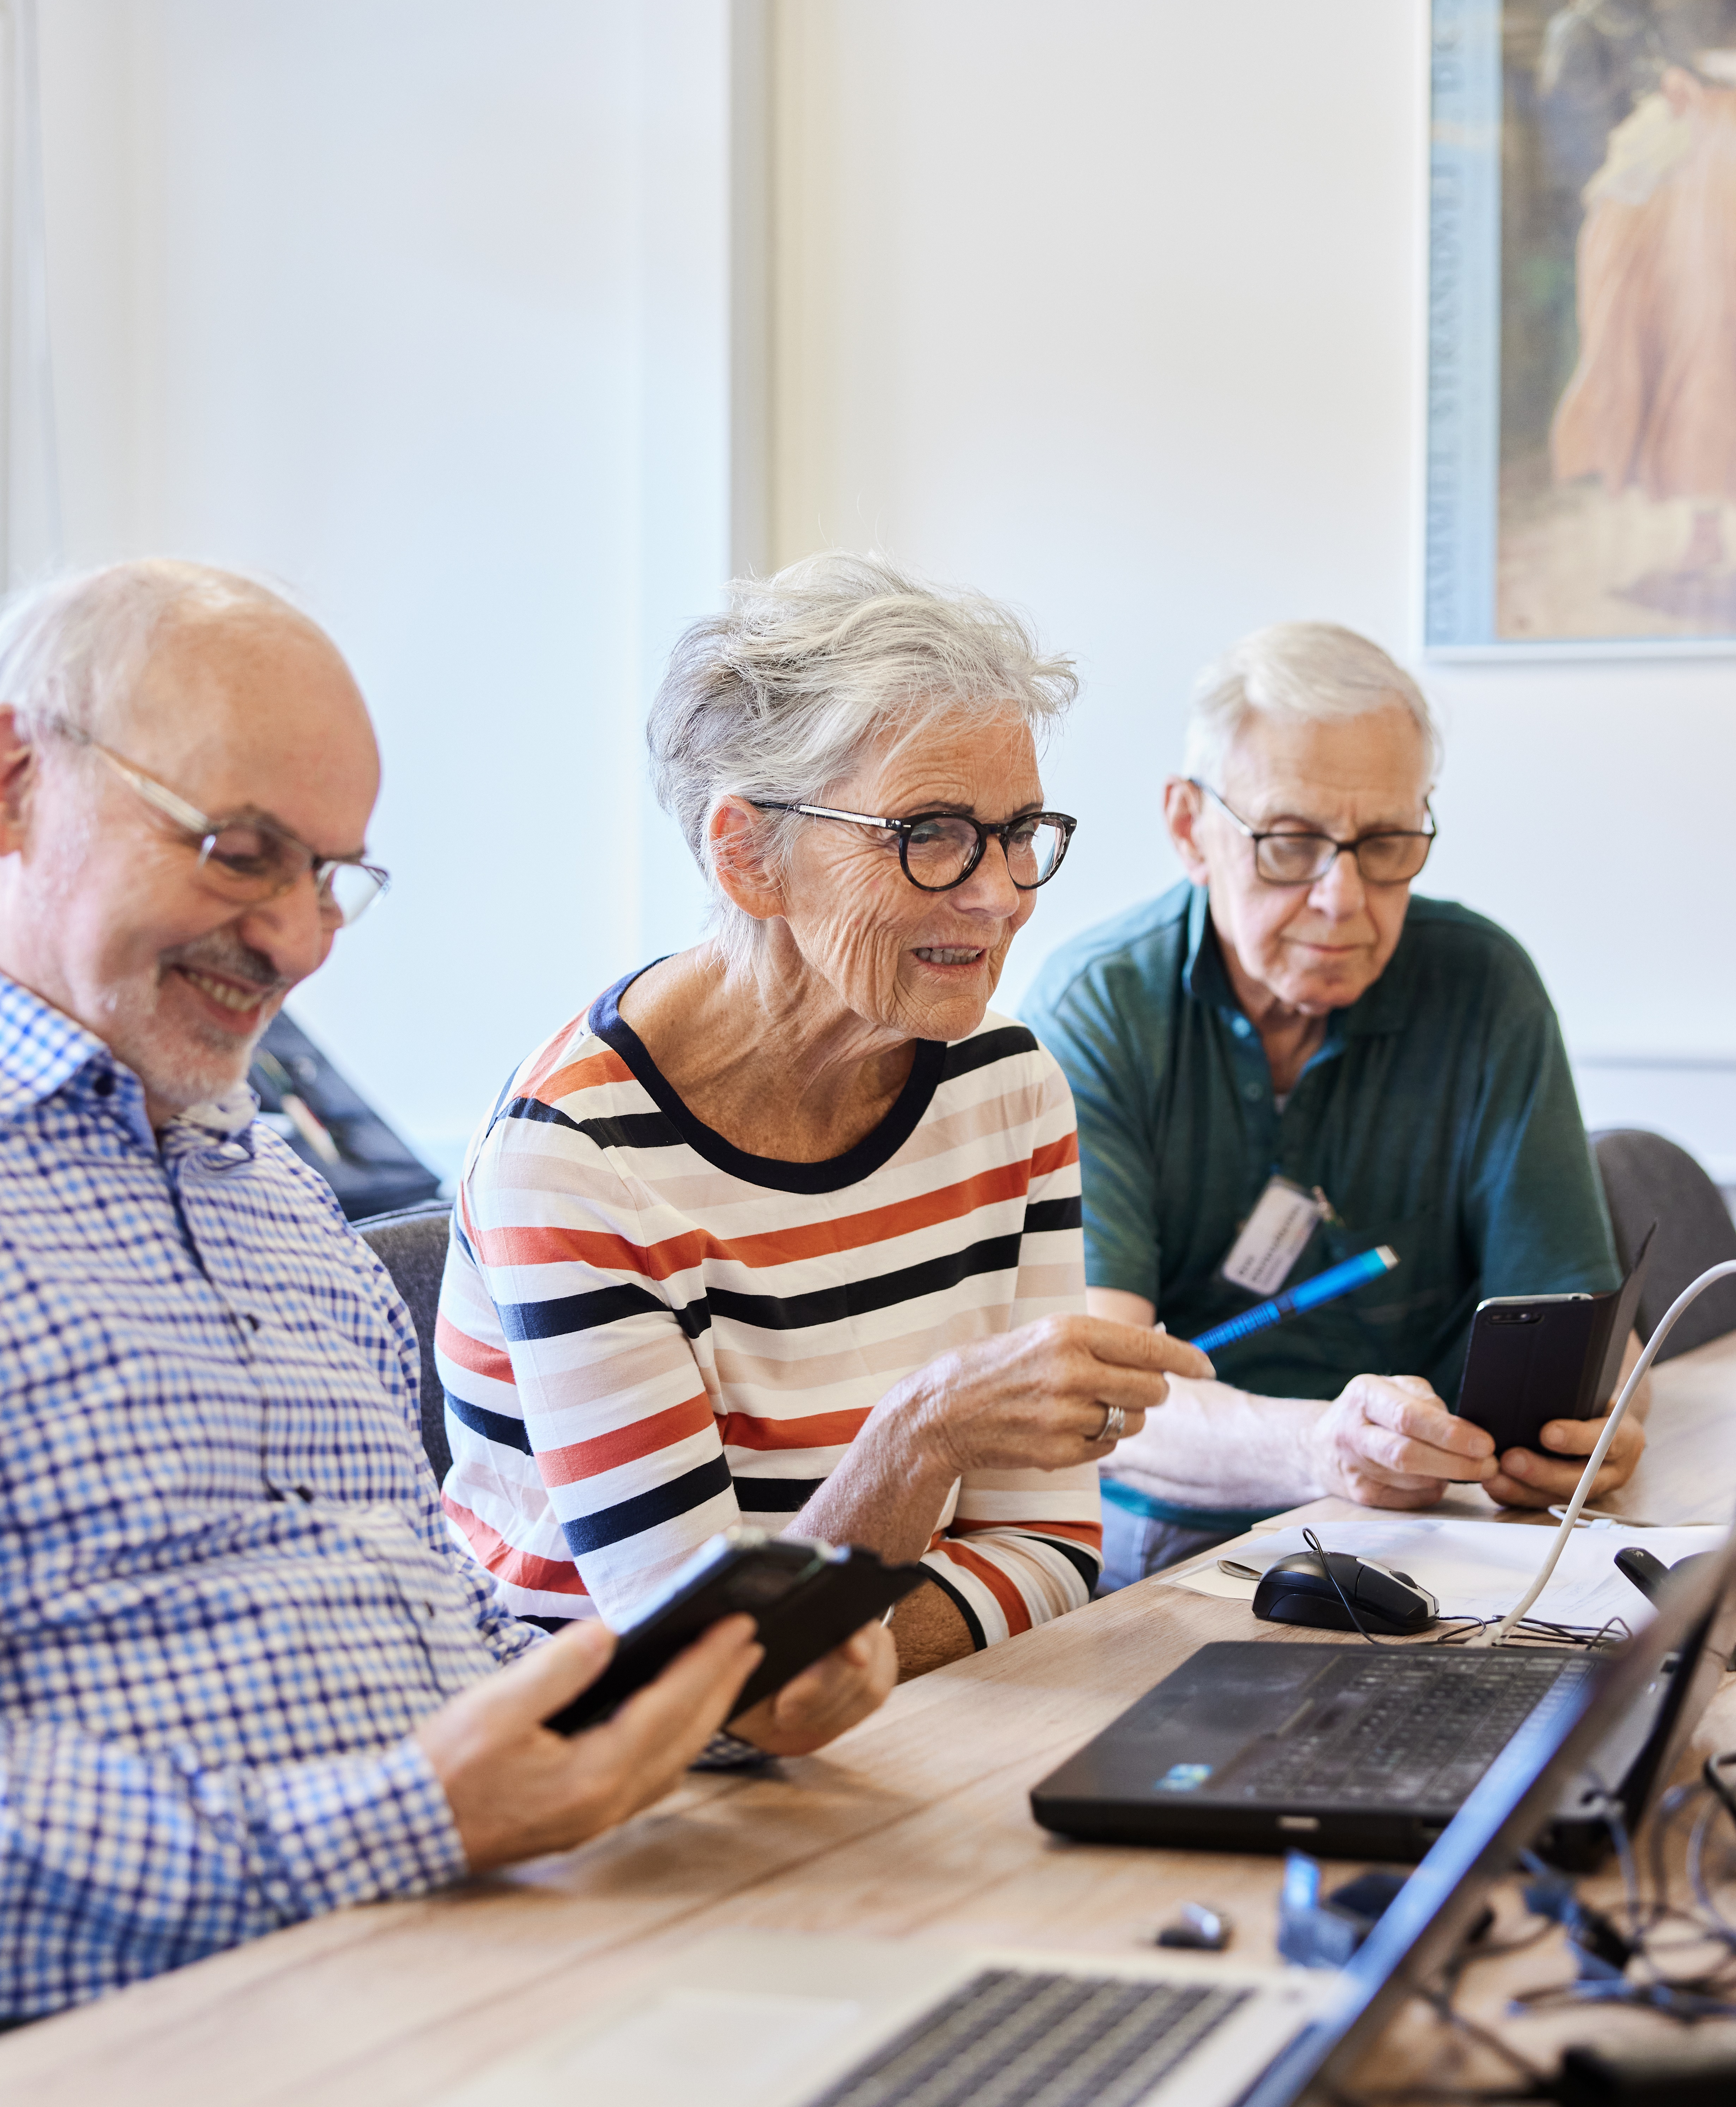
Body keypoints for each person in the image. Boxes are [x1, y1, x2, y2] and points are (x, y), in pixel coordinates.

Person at [0, 559, 896, 2024]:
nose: (299, 941)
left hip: (469, 1946)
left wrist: (688, 1700)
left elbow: (426, 1622)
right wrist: (409, 1818)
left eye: (329, 877)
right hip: (160, 2028)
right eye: (240, 851)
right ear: (17, 782)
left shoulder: (272, 1196)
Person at [438, 555, 1208, 1670]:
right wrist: (920, 1438)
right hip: (611, 1759)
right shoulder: (574, 1159)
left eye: (1017, 832)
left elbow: (1048, 1550)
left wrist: (829, 1645)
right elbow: (703, 1663)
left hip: (920, 1715)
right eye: (930, 833)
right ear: (749, 856)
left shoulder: (1003, 1079)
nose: (1001, 895)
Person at [1022, 622, 1632, 1594]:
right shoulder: (1098, 1008)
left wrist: (1601, 1417)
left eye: (1384, 843)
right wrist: (1322, 1447)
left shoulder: (1483, 985)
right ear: (1189, 827)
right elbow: (1095, 1399)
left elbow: (1582, 1323)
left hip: (1452, 1524)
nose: (1342, 898)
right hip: (1181, 1533)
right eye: (1290, 843)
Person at [1541, 0, 1736, 570]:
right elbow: (1579, 48)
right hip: (1692, 144)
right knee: (1687, 321)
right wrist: (1656, 74)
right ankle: (1702, 521)